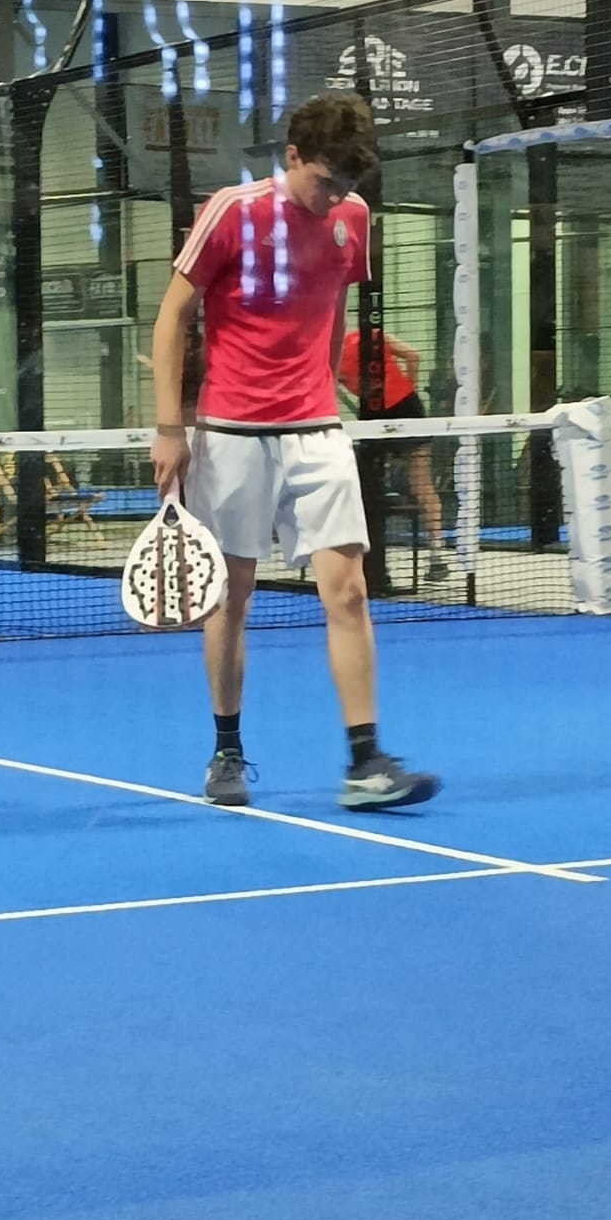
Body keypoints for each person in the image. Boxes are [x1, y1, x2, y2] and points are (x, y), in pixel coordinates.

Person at [150, 92, 440, 814]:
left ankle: (365, 762)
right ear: (290, 158)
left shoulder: (354, 218)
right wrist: (169, 427)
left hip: (316, 431)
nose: (334, 197)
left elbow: (332, 307)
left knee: (349, 591)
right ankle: (226, 751)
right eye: (324, 181)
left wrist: (323, 389)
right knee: (231, 598)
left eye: (347, 185)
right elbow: (172, 316)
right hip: (230, 435)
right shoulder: (230, 211)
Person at [337, 327, 448, 582]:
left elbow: (329, 388)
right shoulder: (373, 335)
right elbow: (413, 356)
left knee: (369, 485)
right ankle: (436, 557)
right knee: (421, 484)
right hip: (408, 409)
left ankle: (370, 563)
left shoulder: (329, 356)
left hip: (375, 416)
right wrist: (408, 388)